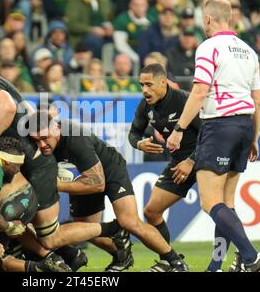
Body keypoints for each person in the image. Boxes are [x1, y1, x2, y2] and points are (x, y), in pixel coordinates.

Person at [0, 50, 127, 267]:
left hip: (39, 168)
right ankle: (71, 257)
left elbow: (8, 107)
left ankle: (113, 230)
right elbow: (27, 109)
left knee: (50, 237)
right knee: (30, 228)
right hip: (33, 166)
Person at [166, 0, 260, 272]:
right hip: (245, 124)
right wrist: (255, 138)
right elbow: (258, 101)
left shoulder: (208, 47)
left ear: (208, 19)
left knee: (210, 203)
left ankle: (251, 257)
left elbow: (199, 91)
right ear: (230, 18)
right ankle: (216, 265)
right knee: (226, 203)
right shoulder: (248, 51)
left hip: (220, 125)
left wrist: (179, 129)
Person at [28, 111, 190, 272]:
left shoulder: (75, 139)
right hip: (84, 175)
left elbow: (97, 184)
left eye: (44, 138)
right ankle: (120, 254)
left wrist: (55, 185)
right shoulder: (39, 143)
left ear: (57, 129)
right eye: (36, 140)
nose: (42, 145)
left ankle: (175, 261)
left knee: (129, 221)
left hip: (111, 169)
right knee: (84, 229)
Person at [128, 63, 201, 262]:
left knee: (217, 208)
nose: (144, 90)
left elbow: (209, 134)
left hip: (203, 159)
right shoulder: (145, 106)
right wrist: (139, 144)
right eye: (142, 85)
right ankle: (170, 261)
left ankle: (245, 257)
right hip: (178, 164)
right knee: (151, 212)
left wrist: (192, 160)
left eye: (149, 85)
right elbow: (133, 133)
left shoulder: (184, 100)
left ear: (163, 82)